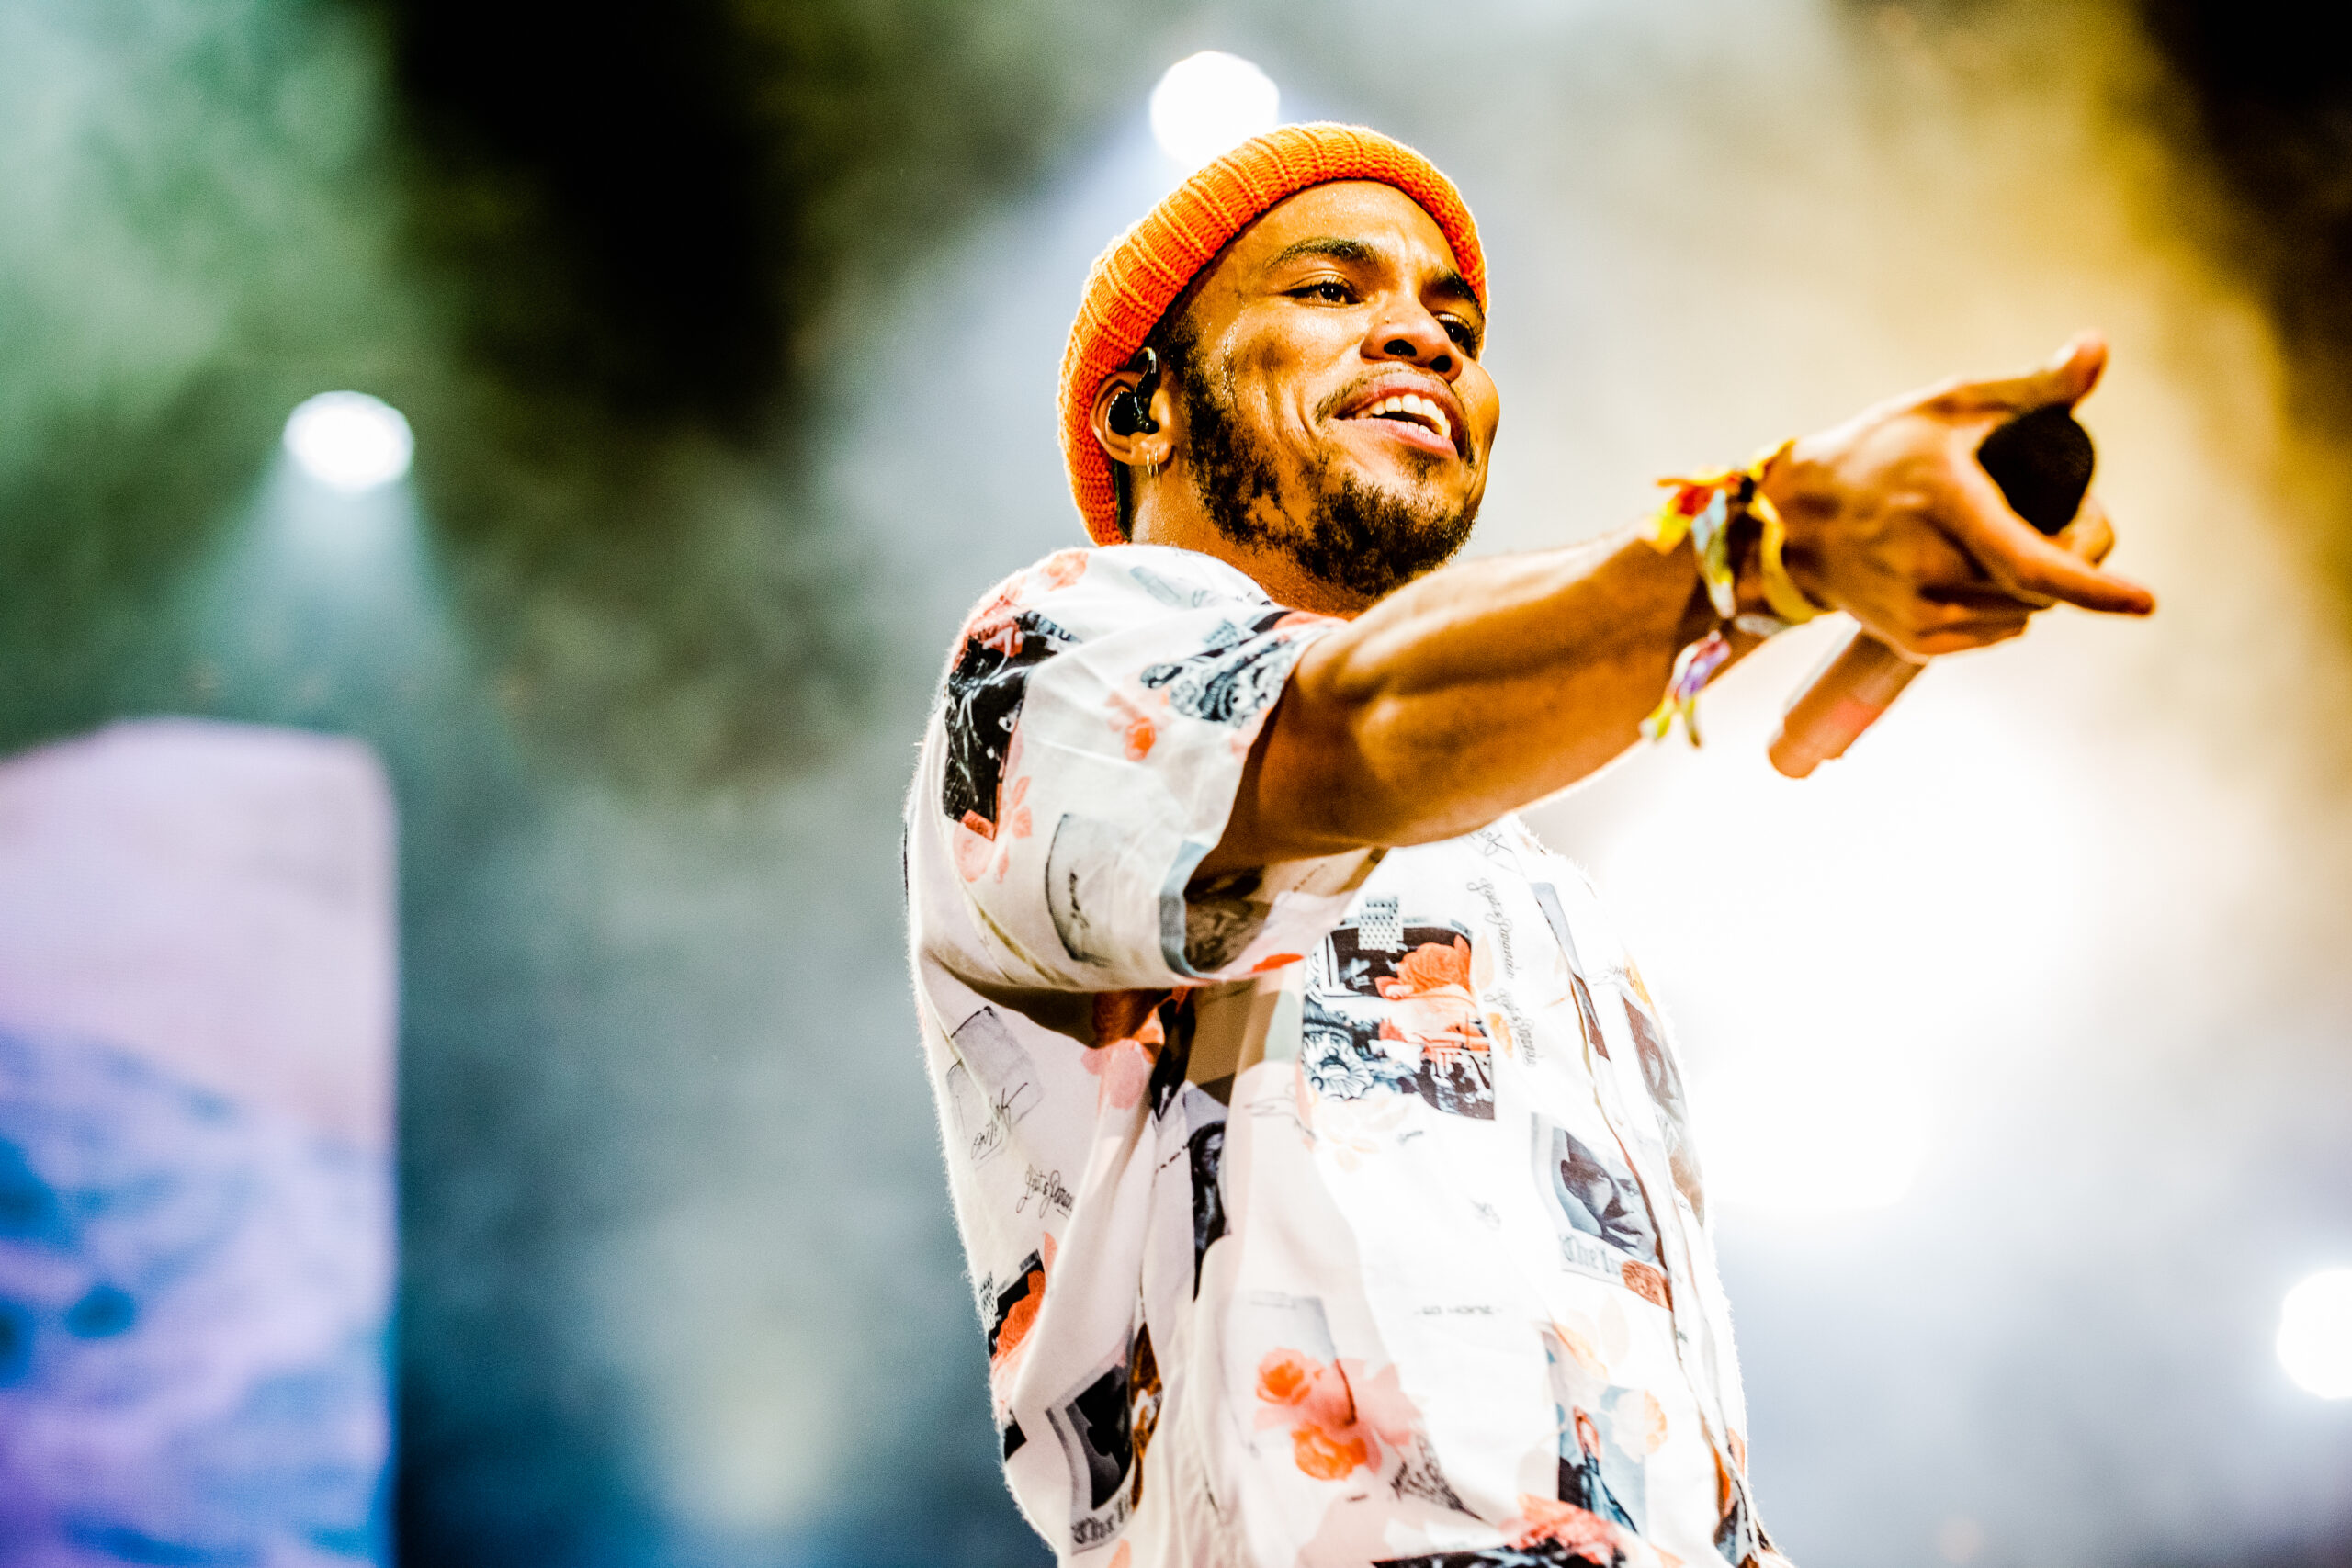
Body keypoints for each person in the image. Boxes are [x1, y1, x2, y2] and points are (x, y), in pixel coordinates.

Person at [903, 123, 2149, 1568]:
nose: (1423, 338)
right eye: (1331, 289)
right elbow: (1348, 726)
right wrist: (1763, 547)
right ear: (1142, 409)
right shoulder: (1047, 667)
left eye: (1457, 321)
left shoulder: (1539, 892)